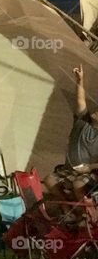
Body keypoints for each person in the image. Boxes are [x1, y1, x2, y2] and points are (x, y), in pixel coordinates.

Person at [45, 65, 98, 202]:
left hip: (91, 174)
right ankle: (66, 208)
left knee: (78, 184)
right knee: (50, 180)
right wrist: (80, 80)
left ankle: (84, 215)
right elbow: (80, 100)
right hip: (69, 169)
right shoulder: (82, 121)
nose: (95, 111)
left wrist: (89, 167)